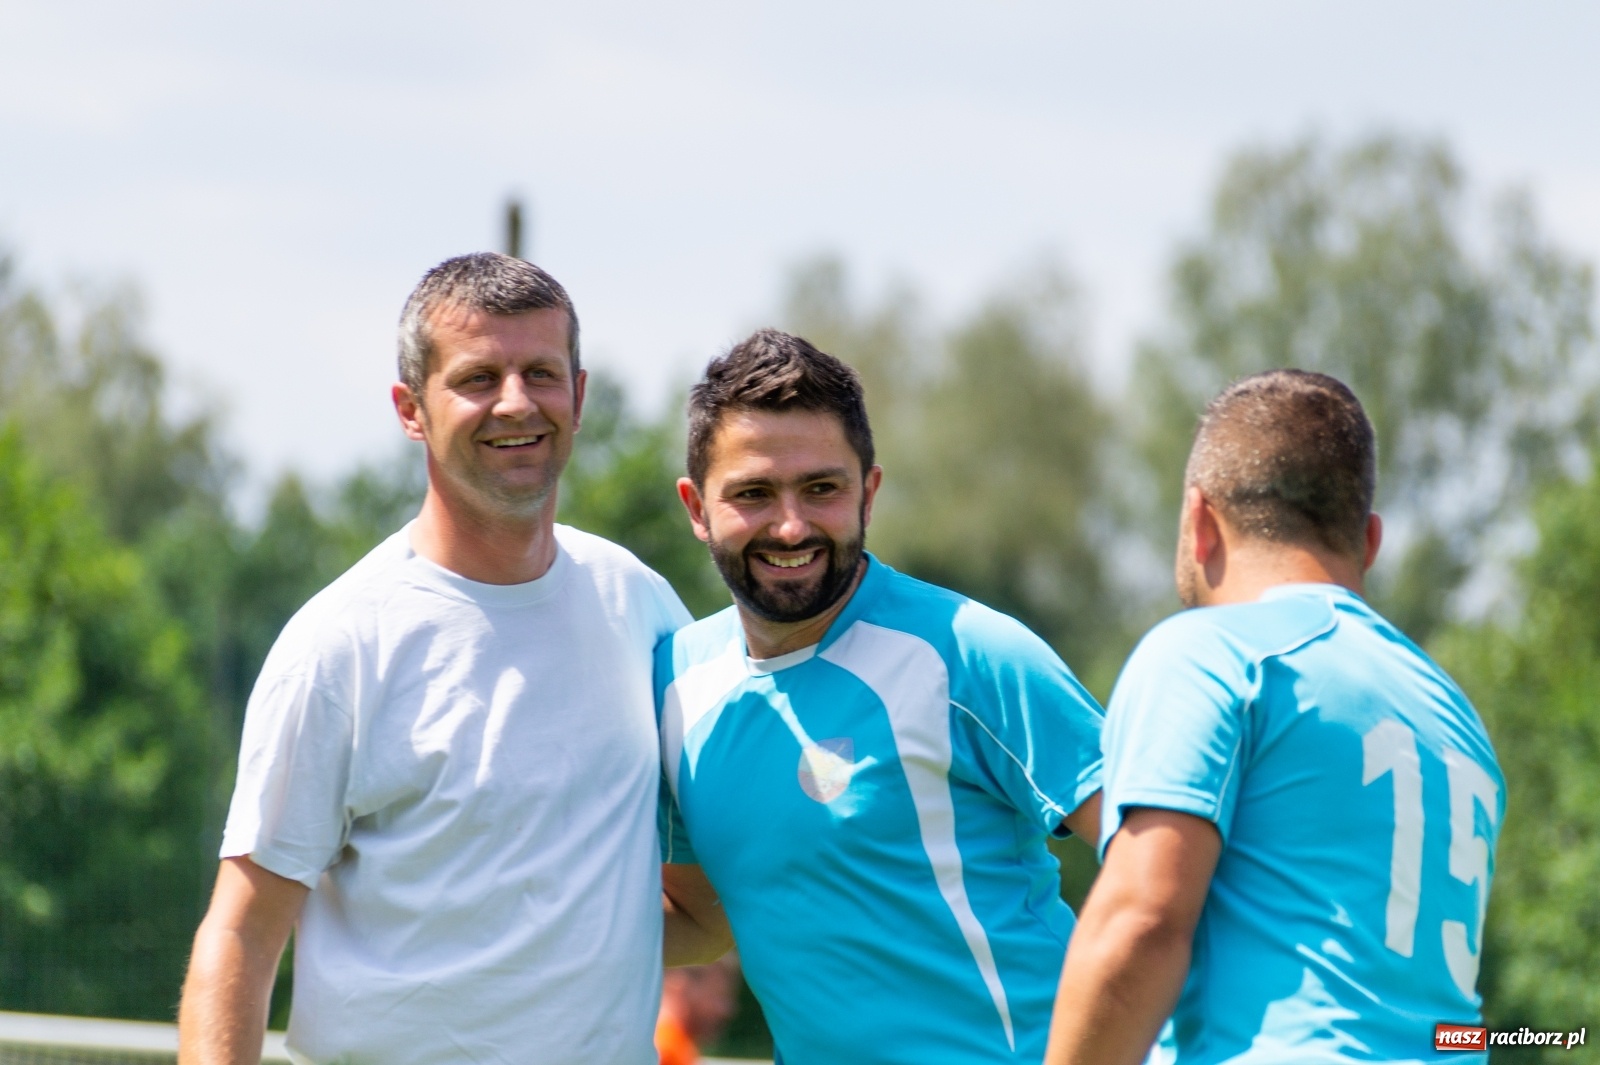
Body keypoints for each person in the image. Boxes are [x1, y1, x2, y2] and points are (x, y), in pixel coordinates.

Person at [177, 253, 728, 1065]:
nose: (516, 401)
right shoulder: (340, 644)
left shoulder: (638, 606)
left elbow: (706, 915)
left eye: (541, 373)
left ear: (578, 396)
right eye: (477, 378)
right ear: (411, 409)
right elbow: (242, 934)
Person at [656, 329, 1106, 1065]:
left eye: (822, 488)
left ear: (868, 491)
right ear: (696, 507)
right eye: (754, 493)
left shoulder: (969, 655)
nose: (791, 525)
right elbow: (699, 922)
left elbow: (1164, 867)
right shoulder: (674, 685)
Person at [1044, 370, 1504, 1065]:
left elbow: (1141, 922)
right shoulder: (1457, 720)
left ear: (1199, 522)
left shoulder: (1209, 653)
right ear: (1369, 541)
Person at [655, 953, 743, 1065]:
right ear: (680, 983)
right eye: (719, 996)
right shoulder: (665, 1050)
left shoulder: (676, 1046)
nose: (727, 1010)